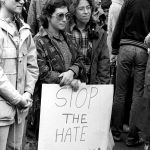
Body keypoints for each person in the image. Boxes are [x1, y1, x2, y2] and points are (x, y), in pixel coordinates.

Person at [26, 0, 87, 148]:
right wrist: (67, 79)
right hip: (46, 105)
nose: (65, 19)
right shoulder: (38, 41)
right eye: (60, 16)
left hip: (70, 106)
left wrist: (73, 71)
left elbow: (81, 60)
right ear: (48, 16)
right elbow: (41, 72)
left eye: (66, 15)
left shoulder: (69, 37)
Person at [0, 0, 39, 150]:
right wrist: (18, 99)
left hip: (20, 112)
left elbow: (32, 66)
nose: (22, 1)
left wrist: (28, 93)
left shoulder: (24, 30)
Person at [111, 0, 150, 146]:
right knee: (138, 94)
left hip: (125, 47)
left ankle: (115, 132)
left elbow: (119, 24)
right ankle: (133, 137)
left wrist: (114, 49)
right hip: (143, 50)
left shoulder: (129, 1)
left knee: (120, 92)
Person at [68, 0, 110, 84]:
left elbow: (103, 61)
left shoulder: (99, 32)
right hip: (69, 83)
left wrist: (103, 85)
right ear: (74, 11)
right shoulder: (66, 30)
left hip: (91, 84)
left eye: (88, 8)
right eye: (81, 9)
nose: (86, 12)